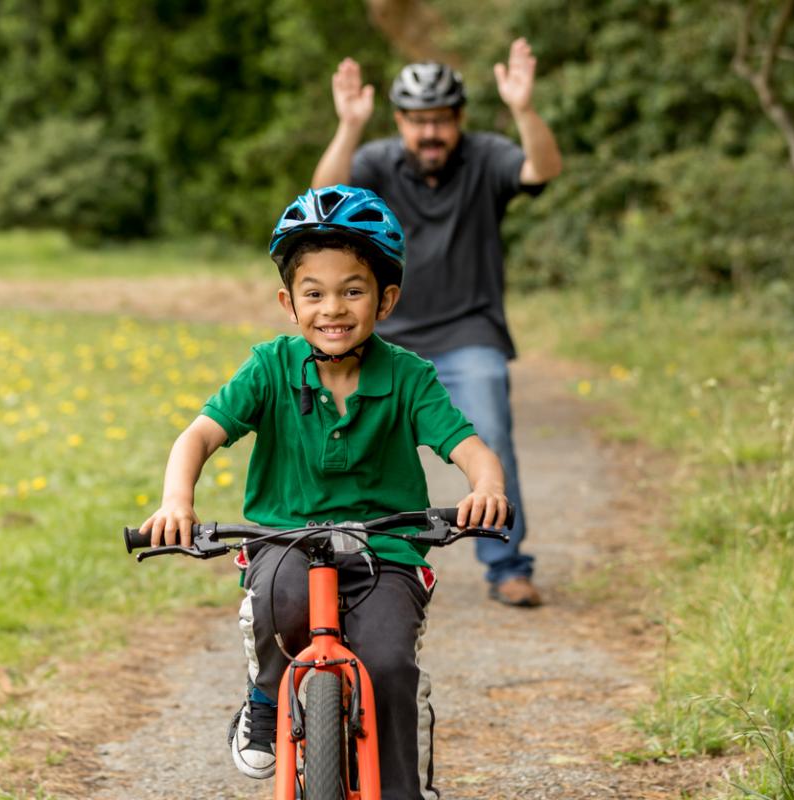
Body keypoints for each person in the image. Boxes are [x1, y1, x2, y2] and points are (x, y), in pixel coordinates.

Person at [140, 185, 509, 799]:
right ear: (289, 302)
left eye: (353, 290)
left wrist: (487, 486)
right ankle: (265, 696)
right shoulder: (269, 368)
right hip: (284, 542)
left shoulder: (409, 376)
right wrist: (177, 500)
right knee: (275, 604)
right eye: (314, 293)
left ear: (386, 299)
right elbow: (198, 437)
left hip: (386, 552)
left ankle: (401, 788)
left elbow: (469, 447)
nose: (332, 308)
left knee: (389, 663)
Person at [310, 39, 563, 607]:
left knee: (491, 439)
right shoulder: (376, 161)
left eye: (442, 121)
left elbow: (542, 168)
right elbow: (322, 194)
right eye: (419, 121)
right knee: (351, 444)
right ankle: (355, 562)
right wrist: (349, 126)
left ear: (459, 121)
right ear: (399, 120)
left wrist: (523, 108)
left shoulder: (487, 156)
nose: (430, 133)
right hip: (385, 337)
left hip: (469, 332)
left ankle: (505, 564)